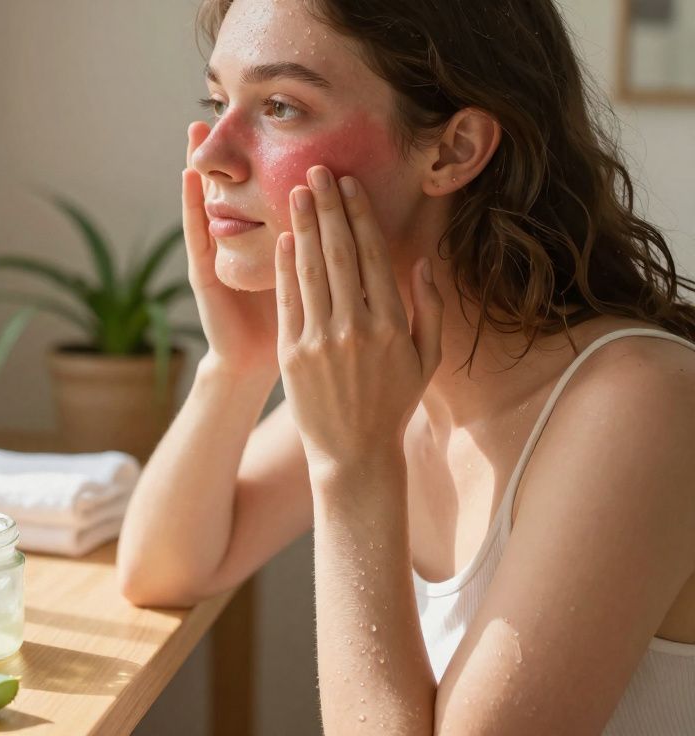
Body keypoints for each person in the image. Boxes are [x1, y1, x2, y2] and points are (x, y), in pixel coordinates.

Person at [116, 0, 695, 732]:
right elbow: (163, 566)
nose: (211, 155)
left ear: (453, 151)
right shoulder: (398, 371)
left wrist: (353, 464)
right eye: (219, 101)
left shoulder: (642, 405)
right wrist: (239, 366)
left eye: (282, 106)